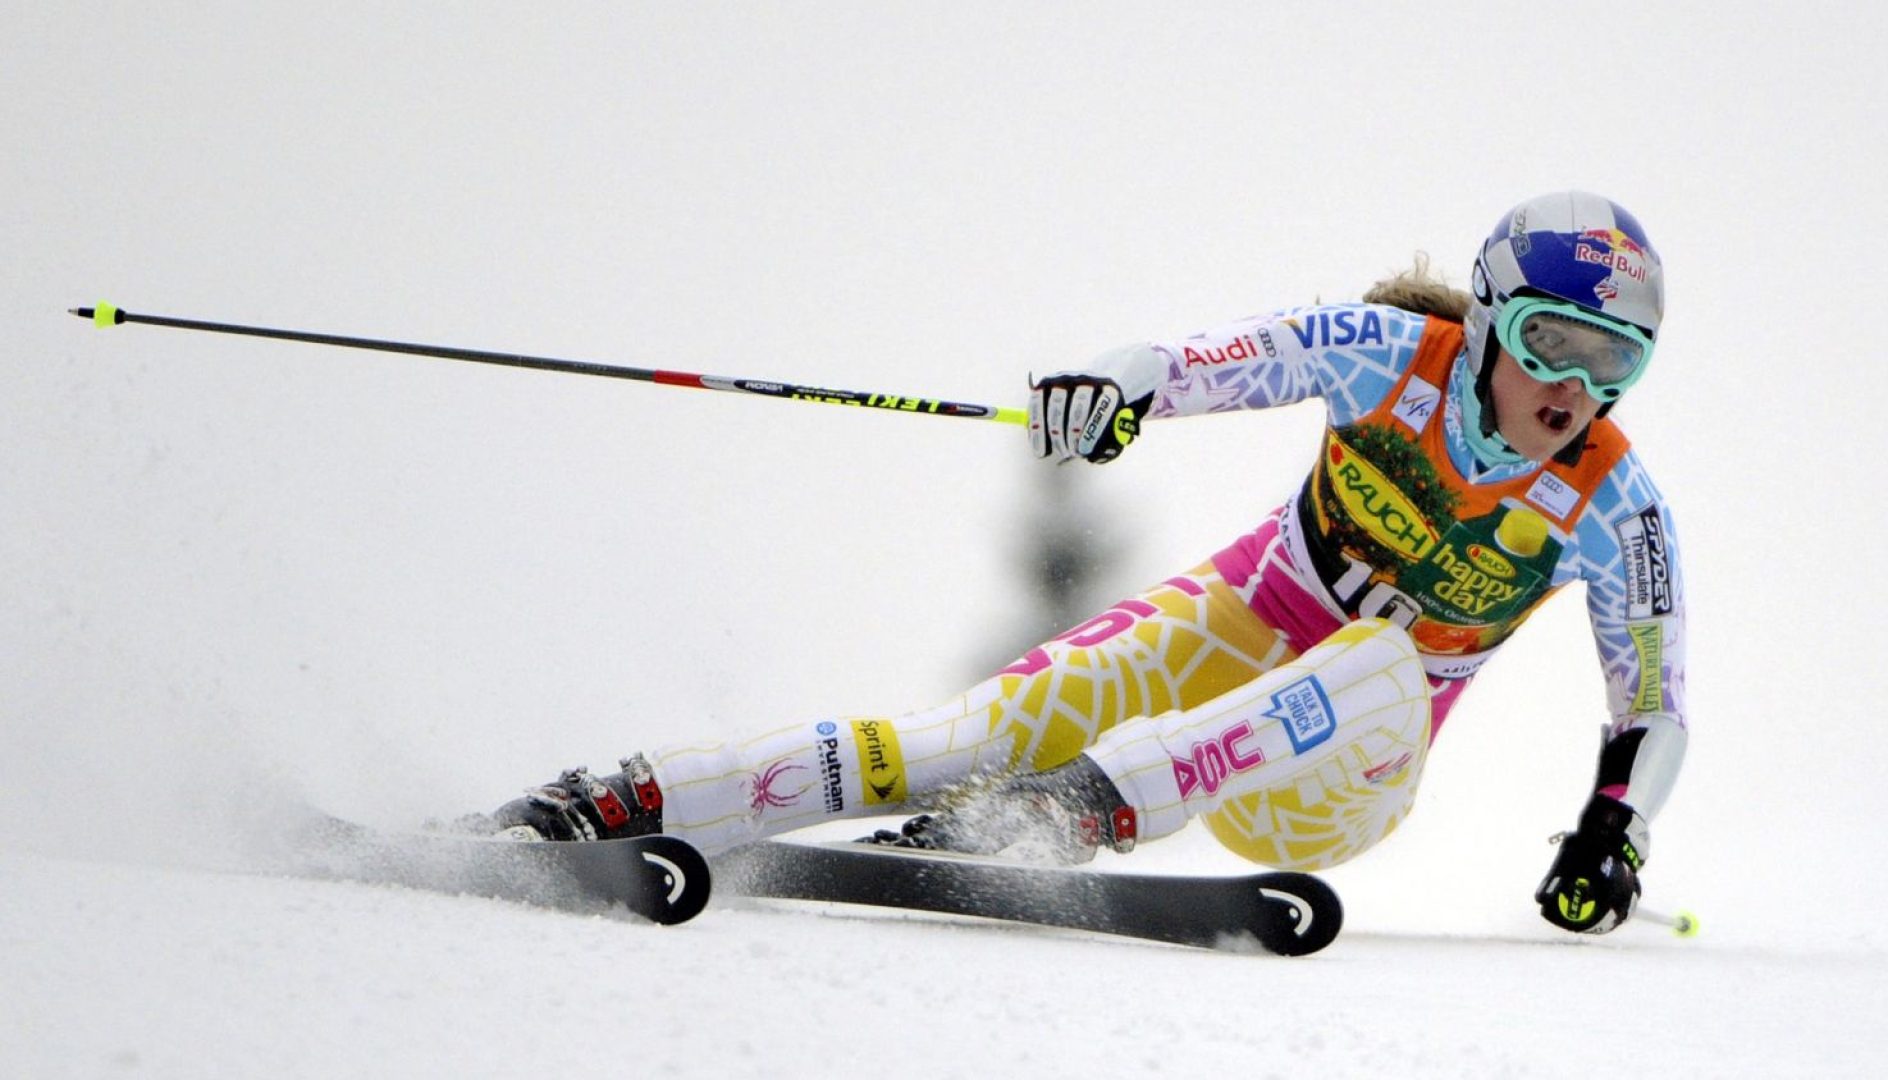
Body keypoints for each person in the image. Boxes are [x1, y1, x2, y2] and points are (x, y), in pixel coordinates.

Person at [491, 191, 1687, 935]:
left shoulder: (1617, 506)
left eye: (1616, 364)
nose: (1576, 391)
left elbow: (1654, 704)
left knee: (1389, 655)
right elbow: (1215, 359)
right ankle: (638, 795)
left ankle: (1077, 813)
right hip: (1245, 622)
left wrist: (1611, 834)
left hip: (1341, 771)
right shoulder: (1388, 356)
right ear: (1486, 318)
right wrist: (1115, 388)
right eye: (1553, 344)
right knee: (964, 738)